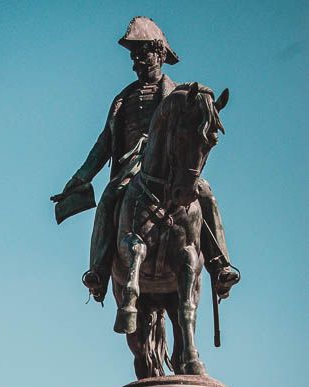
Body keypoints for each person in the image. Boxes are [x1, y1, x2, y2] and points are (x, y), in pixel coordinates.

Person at [57, 16, 239, 305]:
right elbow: (104, 143)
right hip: (132, 171)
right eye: (133, 57)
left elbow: (193, 139)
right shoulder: (123, 98)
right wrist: (80, 178)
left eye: (141, 56)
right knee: (108, 199)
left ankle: (220, 266)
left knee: (206, 194)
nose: (135, 63)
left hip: (172, 172)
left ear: (159, 55)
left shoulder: (181, 96)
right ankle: (99, 272)